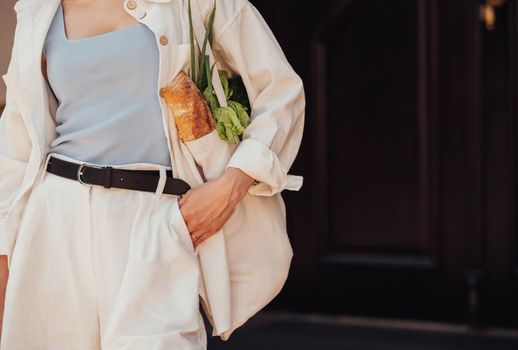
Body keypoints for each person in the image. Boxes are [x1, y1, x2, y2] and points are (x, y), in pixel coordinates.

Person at [0, 0, 305, 348]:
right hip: (55, 219)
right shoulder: (38, 11)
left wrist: (233, 183)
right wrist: (4, 260)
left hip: (157, 218)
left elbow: (281, 91)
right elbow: (15, 146)